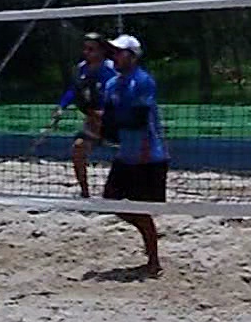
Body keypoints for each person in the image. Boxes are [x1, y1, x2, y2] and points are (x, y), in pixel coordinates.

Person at [98, 33, 168, 276]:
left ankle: (153, 258)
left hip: (148, 157)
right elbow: (108, 122)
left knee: (142, 209)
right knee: (110, 199)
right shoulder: (111, 85)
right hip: (126, 155)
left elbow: (137, 119)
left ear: (133, 56)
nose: (114, 55)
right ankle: (147, 236)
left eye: (119, 52)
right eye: (114, 52)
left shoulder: (143, 81)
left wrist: (110, 123)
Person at [50, 31, 115, 198]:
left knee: (126, 158)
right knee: (78, 149)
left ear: (102, 51)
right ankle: (84, 191)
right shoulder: (81, 69)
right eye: (85, 49)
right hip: (93, 119)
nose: (86, 52)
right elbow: (74, 90)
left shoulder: (111, 69)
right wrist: (61, 107)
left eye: (91, 49)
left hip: (113, 121)